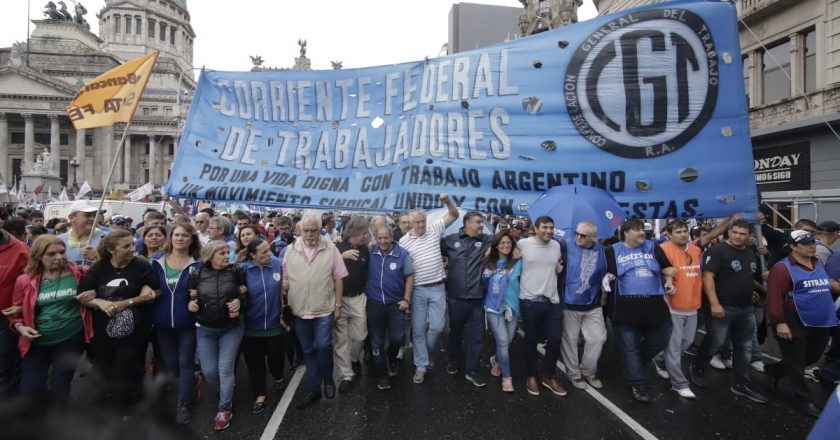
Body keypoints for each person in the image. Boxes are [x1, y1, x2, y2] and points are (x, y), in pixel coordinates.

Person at [77, 229, 160, 408]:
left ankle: (132, 405)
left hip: (135, 331)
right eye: (126, 246)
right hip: (103, 331)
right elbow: (83, 296)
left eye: (132, 244)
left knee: (130, 367)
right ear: (111, 250)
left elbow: (156, 292)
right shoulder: (99, 267)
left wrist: (131, 301)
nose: (133, 248)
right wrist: (99, 301)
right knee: (105, 365)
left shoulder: (142, 266)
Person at [690, 219, 769, 404]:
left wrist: (751, 292)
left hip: (745, 307)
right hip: (722, 306)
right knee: (715, 341)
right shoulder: (717, 251)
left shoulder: (750, 252)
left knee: (744, 348)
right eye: (734, 232)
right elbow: (708, 277)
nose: (737, 236)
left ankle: (742, 383)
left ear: (749, 236)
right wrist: (715, 303)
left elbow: (745, 275)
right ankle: (698, 367)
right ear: (729, 232)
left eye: (742, 234)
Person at [765, 230, 840, 418]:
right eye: (806, 244)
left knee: (811, 356)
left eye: (813, 243)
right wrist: (780, 322)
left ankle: (775, 370)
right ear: (793, 247)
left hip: (819, 322)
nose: (812, 246)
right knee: (796, 362)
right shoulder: (782, 269)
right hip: (793, 321)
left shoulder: (819, 263)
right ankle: (804, 400)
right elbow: (774, 298)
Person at [10, 236, 92, 405]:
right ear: (39, 256)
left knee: (60, 385)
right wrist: (20, 327)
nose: (59, 257)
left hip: (71, 338)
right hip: (37, 340)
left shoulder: (80, 274)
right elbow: (15, 312)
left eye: (62, 252)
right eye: (51, 254)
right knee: (31, 388)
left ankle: (56, 425)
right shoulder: (25, 280)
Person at [282, 213, 348, 409]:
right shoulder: (290, 250)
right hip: (300, 310)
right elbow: (284, 278)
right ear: (300, 230)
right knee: (308, 351)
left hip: (324, 309)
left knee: (323, 346)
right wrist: (285, 288)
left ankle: (328, 378)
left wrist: (337, 306)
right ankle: (314, 389)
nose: (309, 234)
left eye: (314, 230)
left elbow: (339, 278)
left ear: (320, 230)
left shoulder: (331, 249)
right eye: (306, 230)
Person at [605, 219, 674, 402]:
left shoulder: (653, 247)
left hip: (655, 306)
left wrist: (669, 280)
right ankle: (638, 384)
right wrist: (608, 276)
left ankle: (631, 365)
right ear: (625, 233)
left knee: (660, 339)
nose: (642, 232)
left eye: (643, 229)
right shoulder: (612, 250)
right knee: (630, 348)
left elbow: (668, 268)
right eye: (636, 230)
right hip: (625, 308)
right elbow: (605, 272)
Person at [398, 194, 458, 384]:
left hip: (438, 287)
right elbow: (401, 267)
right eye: (417, 222)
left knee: (438, 327)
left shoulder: (434, 229)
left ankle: (424, 352)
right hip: (418, 291)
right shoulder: (404, 242)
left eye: (423, 221)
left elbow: (454, 215)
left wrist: (447, 202)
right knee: (417, 330)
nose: (421, 225)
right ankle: (421, 366)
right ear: (410, 223)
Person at [188, 240, 247, 431]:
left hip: (231, 328)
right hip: (205, 329)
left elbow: (245, 295)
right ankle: (225, 391)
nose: (226, 256)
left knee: (225, 370)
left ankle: (224, 408)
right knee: (209, 371)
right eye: (221, 253)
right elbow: (191, 296)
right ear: (210, 255)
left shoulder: (236, 271)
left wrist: (239, 301)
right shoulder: (197, 273)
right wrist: (191, 304)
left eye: (227, 252)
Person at [151, 222, 201, 425]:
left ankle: (183, 404)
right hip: (162, 323)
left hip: (187, 323)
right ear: (171, 238)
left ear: (191, 240)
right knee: (172, 364)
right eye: (176, 235)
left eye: (184, 236)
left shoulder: (197, 264)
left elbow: (205, 290)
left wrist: (197, 300)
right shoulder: (156, 261)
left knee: (186, 363)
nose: (179, 238)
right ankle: (192, 383)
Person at [652, 220, 703, 399]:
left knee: (687, 342)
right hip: (673, 307)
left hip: (693, 305)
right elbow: (662, 271)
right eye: (678, 231)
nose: (683, 234)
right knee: (674, 347)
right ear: (669, 234)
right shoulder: (663, 249)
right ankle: (679, 384)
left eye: (684, 231)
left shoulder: (696, 250)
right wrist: (668, 283)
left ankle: (659, 358)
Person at [442, 211, 493, 386]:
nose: (482, 225)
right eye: (478, 222)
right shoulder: (450, 239)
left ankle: (472, 370)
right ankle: (453, 360)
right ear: (467, 223)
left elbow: (505, 240)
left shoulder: (486, 240)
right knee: (455, 332)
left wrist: (515, 248)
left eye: (482, 222)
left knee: (477, 336)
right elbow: (431, 247)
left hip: (477, 298)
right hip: (455, 297)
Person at [518, 215, 567, 397]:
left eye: (551, 228)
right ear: (536, 228)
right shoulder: (523, 245)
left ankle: (548, 376)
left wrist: (558, 269)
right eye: (545, 227)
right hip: (530, 301)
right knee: (530, 340)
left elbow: (556, 266)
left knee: (554, 340)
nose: (548, 231)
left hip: (552, 301)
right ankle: (531, 375)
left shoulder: (556, 246)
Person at [241, 238, 287, 415]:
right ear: (252, 255)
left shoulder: (278, 265)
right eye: (264, 252)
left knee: (275, 360)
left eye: (269, 250)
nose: (269, 254)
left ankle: (278, 375)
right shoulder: (242, 270)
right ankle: (260, 394)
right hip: (251, 327)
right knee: (255, 363)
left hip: (275, 324)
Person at [561, 221, 608, 391]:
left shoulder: (600, 249)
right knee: (570, 340)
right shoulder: (565, 245)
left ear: (593, 237)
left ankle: (588, 372)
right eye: (577, 233)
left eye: (583, 235)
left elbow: (605, 269)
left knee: (598, 338)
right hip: (569, 302)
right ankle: (574, 374)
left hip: (593, 303)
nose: (578, 237)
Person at [365, 225, 414, 390]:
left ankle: (391, 357)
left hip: (395, 305)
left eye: (386, 238)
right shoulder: (370, 252)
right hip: (374, 305)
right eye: (379, 238)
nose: (383, 241)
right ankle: (382, 374)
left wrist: (406, 299)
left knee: (397, 339)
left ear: (392, 238)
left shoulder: (402, 254)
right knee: (376, 342)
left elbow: (410, 276)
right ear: (375, 239)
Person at [334, 216, 370, 393]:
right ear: (354, 232)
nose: (365, 236)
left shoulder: (365, 250)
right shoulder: (337, 247)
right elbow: (327, 268)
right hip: (340, 299)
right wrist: (342, 256)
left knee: (359, 336)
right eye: (363, 233)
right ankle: (346, 376)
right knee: (341, 340)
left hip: (358, 298)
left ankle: (354, 359)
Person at [482, 231, 521, 392]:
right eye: (502, 243)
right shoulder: (489, 263)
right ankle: (507, 377)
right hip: (493, 308)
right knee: (504, 341)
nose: (505, 245)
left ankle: (496, 359)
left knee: (507, 341)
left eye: (508, 242)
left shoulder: (518, 262)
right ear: (496, 246)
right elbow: (484, 284)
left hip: (512, 308)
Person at [0, 221, 29, 399]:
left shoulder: (21, 251)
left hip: (5, 321)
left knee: (4, 367)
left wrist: (21, 305)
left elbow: (32, 285)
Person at [59, 200, 107, 267]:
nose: (92, 219)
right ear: (72, 217)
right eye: (87, 215)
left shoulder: (106, 238)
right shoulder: (59, 240)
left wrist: (98, 258)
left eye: (94, 215)